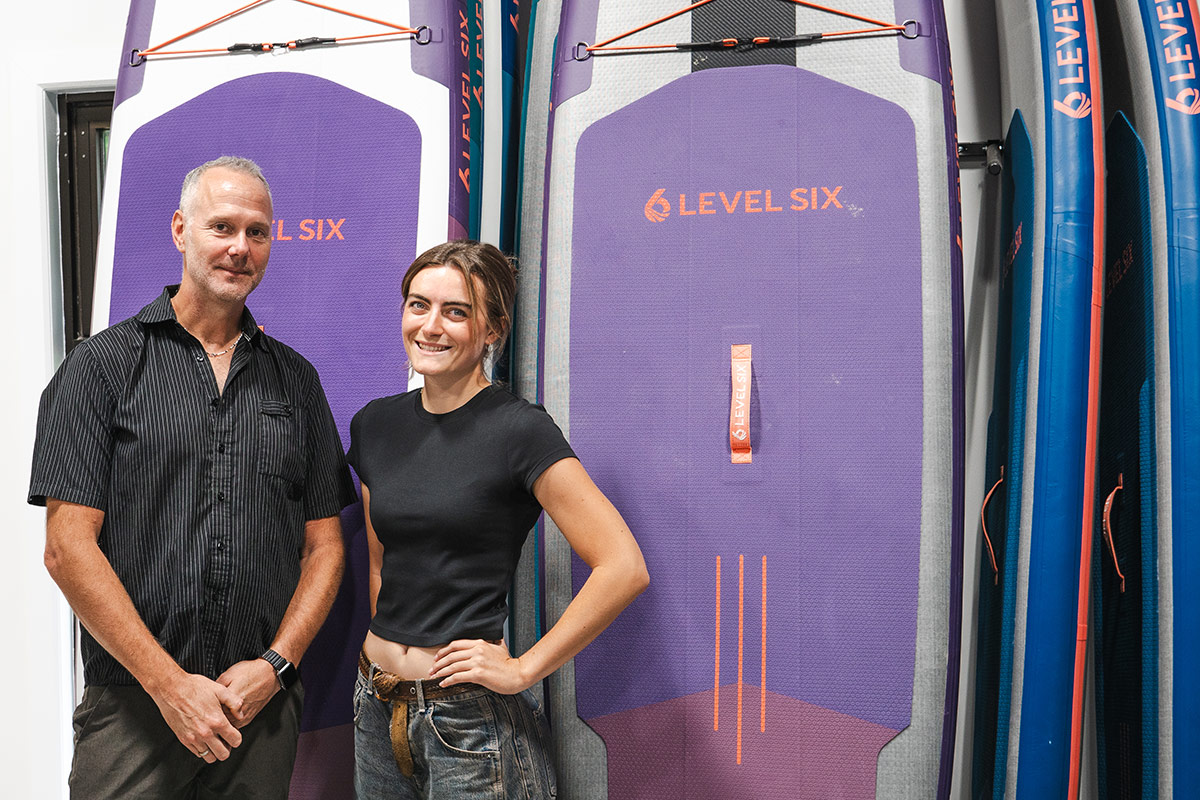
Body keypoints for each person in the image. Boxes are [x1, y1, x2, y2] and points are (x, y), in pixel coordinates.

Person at [29, 156, 358, 799]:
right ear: (181, 229)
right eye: (222, 227)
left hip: (256, 713)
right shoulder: (101, 369)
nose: (240, 248)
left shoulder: (296, 382)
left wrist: (275, 665)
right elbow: (67, 549)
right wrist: (170, 687)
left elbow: (324, 549)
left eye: (257, 233)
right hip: (133, 709)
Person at [349, 240, 649, 799]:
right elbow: (381, 563)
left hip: (466, 725)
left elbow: (623, 566)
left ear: (491, 330)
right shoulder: (375, 425)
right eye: (418, 305)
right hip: (376, 705)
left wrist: (523, 669)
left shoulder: (519, 430)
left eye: (456, 312)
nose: (430, 326)